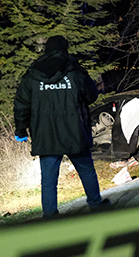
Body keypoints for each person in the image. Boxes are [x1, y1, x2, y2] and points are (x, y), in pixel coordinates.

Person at [14, 35, 110, 218]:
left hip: (45, 135)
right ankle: (96, 206)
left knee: (48, 180)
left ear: (46, 50)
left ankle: (50, 217)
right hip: (74, 132)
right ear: (65, 49)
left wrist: (21, 130)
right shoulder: (75, 72)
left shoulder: (32, 75)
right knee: (86, 171)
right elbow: (91, 95)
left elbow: (21, 105)